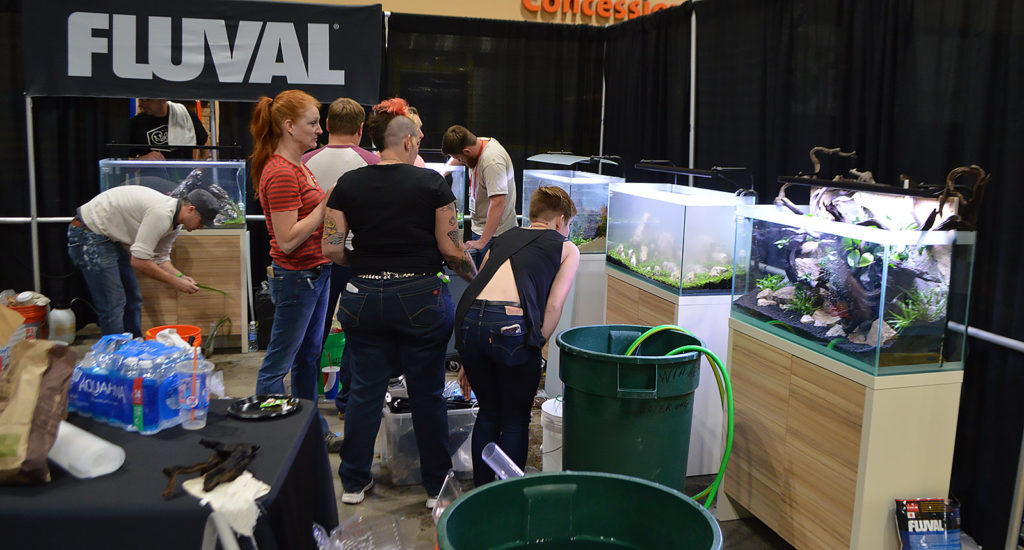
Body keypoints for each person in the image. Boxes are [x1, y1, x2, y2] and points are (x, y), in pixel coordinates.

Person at [322, 97, 477, 507]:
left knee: (365, 393)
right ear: (407, 142)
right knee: (427, 394)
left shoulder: (348, 185)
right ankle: (435, 488)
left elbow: (331, 248)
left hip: (362, 297)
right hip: (420, 296)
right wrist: (473, 278)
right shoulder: (431, 185)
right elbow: (452, 251)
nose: (422, 140)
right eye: (419, 135)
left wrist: (366, 264)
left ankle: (354, 483)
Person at [454, 186, 580, 486]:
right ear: (561, 220)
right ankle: (508, 495)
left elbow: (479, 283)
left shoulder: (503, 239)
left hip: (469, 323)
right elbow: (554, 304)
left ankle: (481, 493)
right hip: (510, 329)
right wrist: (536, 345)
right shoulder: (566, 248)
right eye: (569, 225)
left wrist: (466, 359)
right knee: (514, 417)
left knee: (488, 411)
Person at [249, 89, 335, 442]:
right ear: (288, 126)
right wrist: (325, 204)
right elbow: (287, 239)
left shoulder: (298, 164)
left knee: (308, 357)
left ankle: (309, 430)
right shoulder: (282, 172)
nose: (319, 130)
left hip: (316, 273)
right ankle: (270, 437)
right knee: (279, 364)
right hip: (299, 277)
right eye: (312, 123)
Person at [303, 97, 379, 418]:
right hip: (355, 256)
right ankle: (348, 402)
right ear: (361, 129)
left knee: (310, 335)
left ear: (327, 126)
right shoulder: (372, 163)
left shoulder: (303, 161)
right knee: (356, 332)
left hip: (311, 254)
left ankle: (306, 406)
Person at [67, 186, 220, 336]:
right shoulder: (162, 214)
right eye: (202, 221)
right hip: (88, 233)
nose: (201, 227)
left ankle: (133, 346)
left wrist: (180, 276)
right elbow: (139, 261)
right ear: (191, 209)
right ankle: (116, 355)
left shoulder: (175, 223)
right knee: (113, 303)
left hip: (108, 238)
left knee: (133, 297)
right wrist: (175, 282)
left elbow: (160, 258)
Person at [441, 125, 518, 267]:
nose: (460, 161)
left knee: (489, 282)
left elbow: (499, 203)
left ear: (466, 151)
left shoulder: (492, 161)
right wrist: (444, 172)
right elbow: (459, 157)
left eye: (460, 158)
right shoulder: (477, 144)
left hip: (495, 236)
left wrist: (482, 241)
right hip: (482, 229)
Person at [129, 99, 209, 160]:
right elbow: (126, 163)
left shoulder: (186, 115)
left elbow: (204, 142)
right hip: (151, 178)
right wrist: (142, 160)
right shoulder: (137, 122)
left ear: (163, 99)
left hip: (184, 178)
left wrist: (200, 168)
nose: (144, 103)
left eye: (148, 100)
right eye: (142, 99)